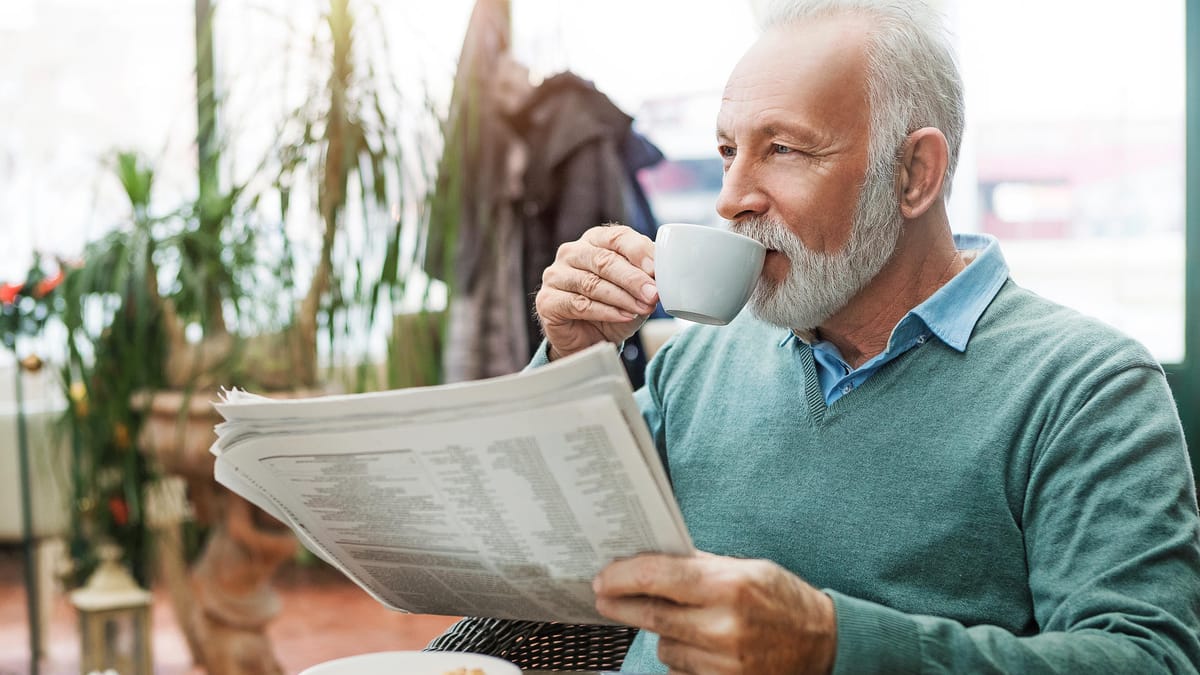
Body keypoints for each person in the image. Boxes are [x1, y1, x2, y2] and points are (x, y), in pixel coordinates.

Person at [530, 0, 1200, 673]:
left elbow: (1146, 658)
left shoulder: (1087, 389)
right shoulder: (700, 363)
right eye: (729, 151)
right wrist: (573, 358)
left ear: (915, 175)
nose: (730, 198)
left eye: (782, 148)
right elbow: (541, 542)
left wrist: (832, 643)